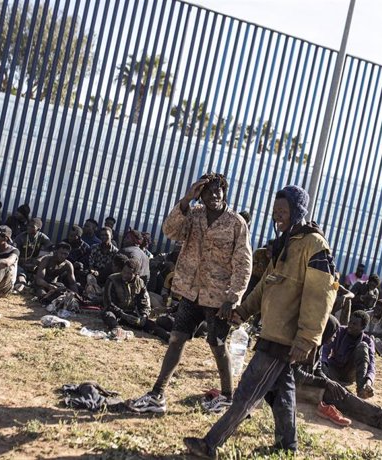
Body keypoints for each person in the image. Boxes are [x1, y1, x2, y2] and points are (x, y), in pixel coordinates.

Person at [183, 184, 338, 458]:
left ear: (298, 211)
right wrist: (243, 312)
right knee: (282, 392)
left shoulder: (314, 245)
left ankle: (211, 444)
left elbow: (320, 297)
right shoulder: (286, 243)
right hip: (273, 332)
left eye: (283, 211)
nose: (277, 216)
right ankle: (287, 446)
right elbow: (266, 286)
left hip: (285, 337)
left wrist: (306, 339)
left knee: (247, 392)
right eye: (275, 211)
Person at [129, 173, 251, 416]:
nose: (214, 195)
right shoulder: (193, 215)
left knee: (217, 344)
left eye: (218, 190)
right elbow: (169, 231)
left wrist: (233, 297)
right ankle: (157, 394)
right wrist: (186, 200)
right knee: (176, 339)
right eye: (207, 191)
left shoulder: (236, 223)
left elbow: (243, 263)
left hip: (218, 298)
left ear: (225, 192)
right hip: (191, 293)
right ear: (200, 194)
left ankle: (227, 397)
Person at [102, 257, 169, 341]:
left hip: (130, 314)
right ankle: (117, 330)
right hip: (115, 313)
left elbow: (145, 302)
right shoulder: (112, 279)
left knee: (149, 324)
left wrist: (144, 316)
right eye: (124, 271)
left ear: (136, 274)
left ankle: (168, 337)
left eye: (129, 273)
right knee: (108, 315)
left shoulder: (140, 283)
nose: (125, 275)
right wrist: (123, 315)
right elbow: (109, 303)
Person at [322, 310, 376, 399]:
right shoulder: (340, 331)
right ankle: (337, 384)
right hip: (334, 369)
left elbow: (372, 365)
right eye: (350, 322)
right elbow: (325, 349)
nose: (350, 325)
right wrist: (323, 363)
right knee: (322, 366)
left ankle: (361, 389)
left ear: (363, 327)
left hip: (350, 373)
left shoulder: (368, 340)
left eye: (354, 324)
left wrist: (369, 382)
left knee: (363, 346)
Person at [13, 217, 52, 285]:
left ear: (38, 229)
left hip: (34, 265)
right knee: (20, 274)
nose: (29, 227)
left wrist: (40, 259)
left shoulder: (42, 237)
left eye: (32, 226)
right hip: (21, 263)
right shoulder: (21, 237)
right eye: (28, 225)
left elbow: (51, 252)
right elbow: (14, 251)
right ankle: (22, 283)